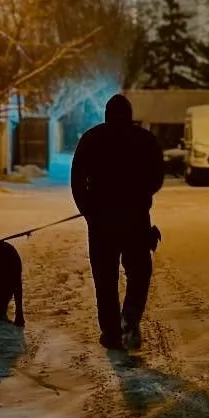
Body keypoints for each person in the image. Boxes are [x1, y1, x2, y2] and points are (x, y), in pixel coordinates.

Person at [70, 93, 166, 350]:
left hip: (101, 223)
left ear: (106, 114)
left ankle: (111, 332)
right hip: (135, 220)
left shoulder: (91, 139)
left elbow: (77, 179)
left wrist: (88, 210)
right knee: (139, 273)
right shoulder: (144, 139)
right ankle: (130, 319)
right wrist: (140, 194)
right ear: (130, 114)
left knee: (105, 278)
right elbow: (157, 177)